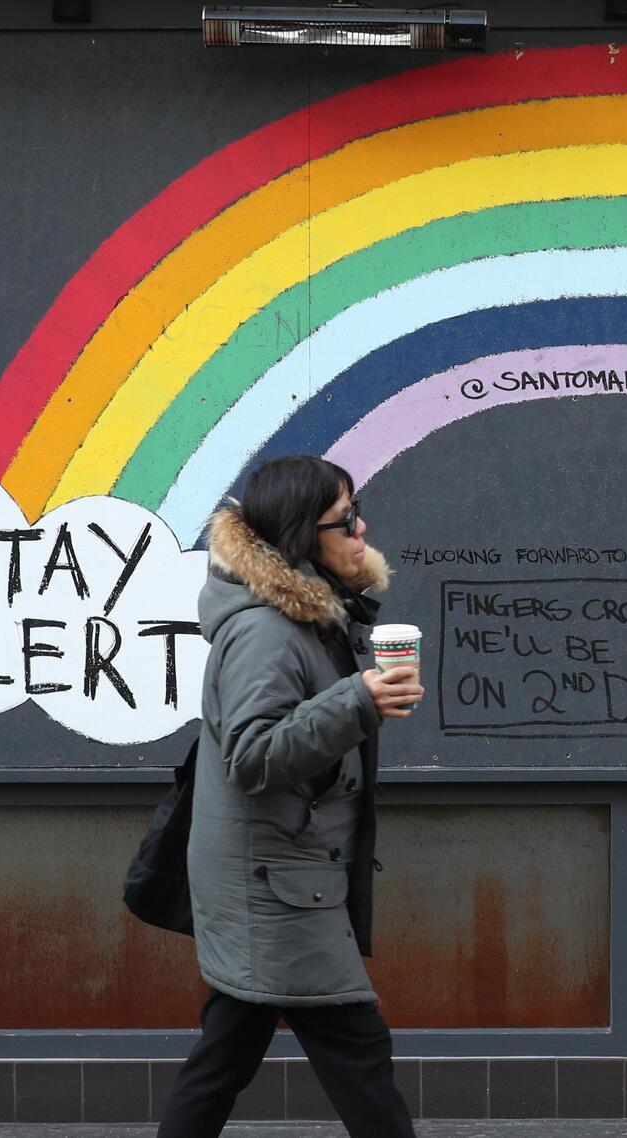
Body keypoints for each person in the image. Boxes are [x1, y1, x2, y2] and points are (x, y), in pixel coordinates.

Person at [158, 455, 424, 1138]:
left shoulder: (306, 615)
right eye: (345, 520)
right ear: (305, 534)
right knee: (356, 1049)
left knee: (228, 1051)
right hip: (273, 885)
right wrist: (358, 699)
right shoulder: (265, 631)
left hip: (281, 876)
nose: (362, 530)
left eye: (357, 512)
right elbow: (253, 757)